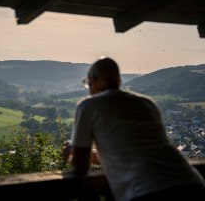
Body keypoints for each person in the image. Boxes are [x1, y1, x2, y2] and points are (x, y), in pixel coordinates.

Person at [62, 57, 205, 201]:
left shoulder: (88, 106)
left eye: (88, 85)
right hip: (191, 183)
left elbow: (80, 168)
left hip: (146, 191)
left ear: (94, 80)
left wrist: (71, 152)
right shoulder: (146, 103)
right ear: (119, 81)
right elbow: (139, 153)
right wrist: (93, 156)